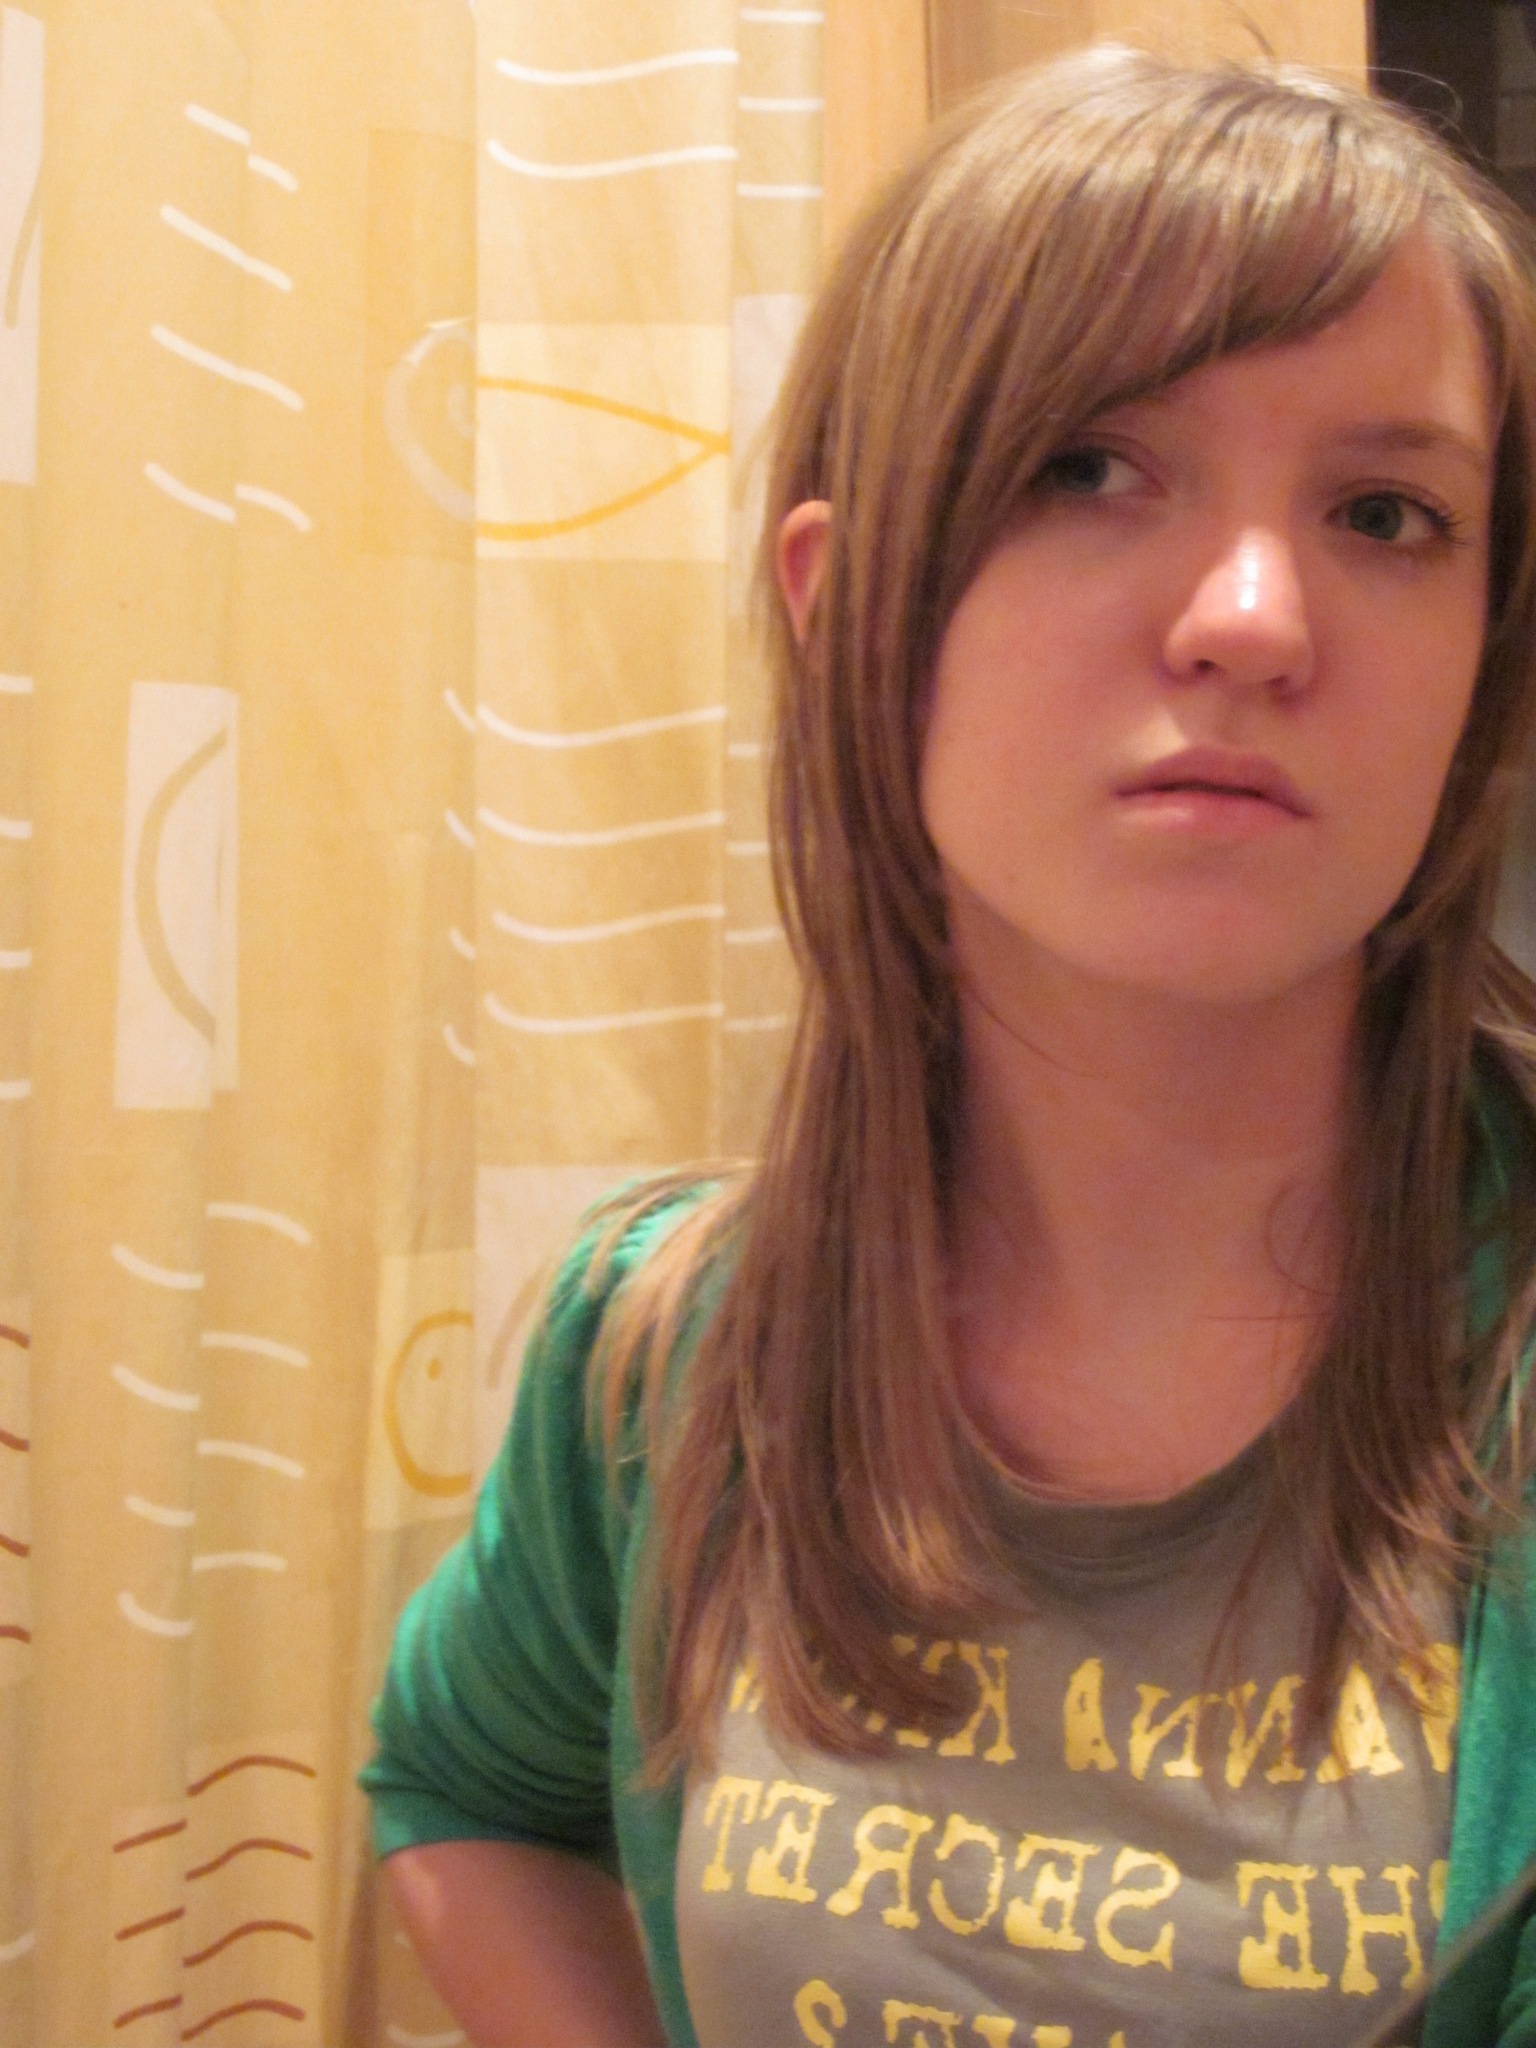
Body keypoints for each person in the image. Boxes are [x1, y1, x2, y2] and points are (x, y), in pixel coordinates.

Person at [361, 45, 1536, 2048]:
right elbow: (470, 1788)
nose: (1257, 616)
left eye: (1384, 511)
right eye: (1088, 467)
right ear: (848, 606)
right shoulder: (664, 1349)